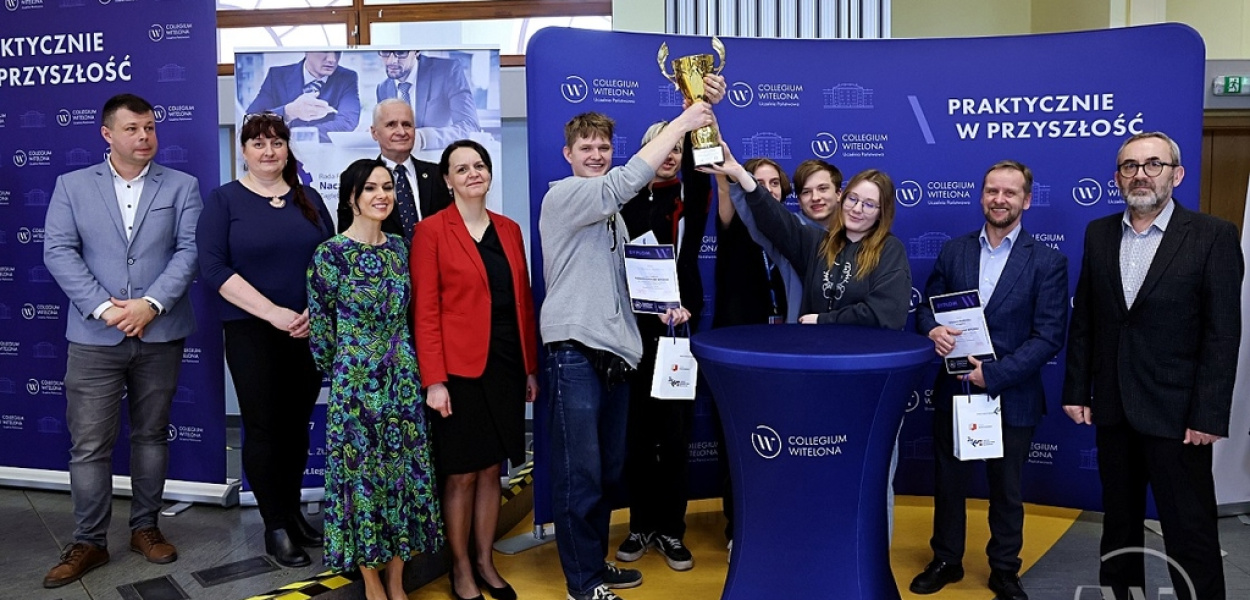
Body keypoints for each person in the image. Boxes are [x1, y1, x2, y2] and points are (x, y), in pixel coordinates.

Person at [540, 98, 718, 600]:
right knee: (580, 474)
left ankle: (594, 565)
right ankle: (583, 584)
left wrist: (662, 308)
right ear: (568, 154)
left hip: (617, 354)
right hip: (575, 349)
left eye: (603, 147)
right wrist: (683, 123)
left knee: (606, 471)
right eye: (586, 147)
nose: (596, 155)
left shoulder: (615, 220)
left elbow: (630, 282)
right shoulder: (566, 195)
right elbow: (623, 183)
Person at [1062, 132, 1243, 600]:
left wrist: (1208, 415)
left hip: (1178, 417)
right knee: (1118, 527)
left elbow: (1222, 333)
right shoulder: (1099, 233)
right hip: (1114, 410)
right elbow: (1086, 319)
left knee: (1190, 532)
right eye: (1130, 166)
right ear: (1117, 177)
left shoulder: (1213, 235)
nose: (1140, 174)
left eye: (1153, 164)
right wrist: (1077, 389)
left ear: (1176, 174)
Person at [41, 93, 201, 588]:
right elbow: (58, 250)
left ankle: (145, 528)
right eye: (132, 129)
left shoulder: (183, 185)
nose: (144, 136)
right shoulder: (71, 185)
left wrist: (150, 305)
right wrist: (107, 309)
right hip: (94, 335)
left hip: (160, 331)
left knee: (151, 434)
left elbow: (190, 251)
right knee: (89, 444)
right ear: (107, 134)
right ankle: (89, 541)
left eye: (150, 127)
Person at [911, 160, 1069, 600]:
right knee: (949, 484)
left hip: (1012, 394)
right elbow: (925, 308)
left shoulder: (1048, 262)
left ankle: (1004, 569)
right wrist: (932, 329)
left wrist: (994, 374)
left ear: (1026, 200)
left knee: (1007, 490)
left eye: (1010, 193)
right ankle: (946, 560)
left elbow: (1049, 336)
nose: (1000, 200)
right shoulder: (954, 251)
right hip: (956, 391)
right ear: (981, 196)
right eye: (992, 191)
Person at [197, 113, 335, 567]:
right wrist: (273, 313)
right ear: (244, 151)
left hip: (307, 330)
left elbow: (330, 260)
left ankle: (292, 513)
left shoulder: (309, 198)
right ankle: (274, 526)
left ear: (288, 148)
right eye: (258, 143)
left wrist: (315, 309)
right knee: (263, 428)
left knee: (296, 428)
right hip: (252, 330)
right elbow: (214, 268)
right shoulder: (224, 201)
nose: (268, 151)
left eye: (277, 142)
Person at [308, 158, 444, 600]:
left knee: (402, 476)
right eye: (370, 188)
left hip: (403, 381)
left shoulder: (402, 249)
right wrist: (351, 368)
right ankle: (371, 582)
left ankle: (397, 580)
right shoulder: (330, 254)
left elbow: (416, 313)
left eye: (387, 187)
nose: (381, 195)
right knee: (363, 480)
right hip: (354, 385)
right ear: (352, 197)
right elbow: (321, 333)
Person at [413, 140, 537, 600]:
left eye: (479, 165)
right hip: (458, 372)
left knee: (491, 471)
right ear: (447, 180)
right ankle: (461, 567)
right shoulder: (431, 231)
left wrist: (529, 367)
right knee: (462, 473)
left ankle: (485, 560)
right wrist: (434, 380)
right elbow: (425, 311)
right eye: (461, 168)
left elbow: (521, 302)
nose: (473, 174)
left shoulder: (509, 229)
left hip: (505, 365)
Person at [614, 120, 712, 572]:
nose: (669, 154)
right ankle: (640, 525)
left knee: (674, 436)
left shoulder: (691, 194)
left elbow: (703, 160)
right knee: (637, 435)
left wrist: (698, 110)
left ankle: (672, 529)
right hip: (633, 331)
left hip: (679, 328)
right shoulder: (623, 198)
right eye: (661, 146)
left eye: (676, 147)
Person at [704, 144, 910, 329]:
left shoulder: (889, 249)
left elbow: (885, 314)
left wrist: (823, 320)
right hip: (815, 350)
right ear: (844, 198)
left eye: (869, 204)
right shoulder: (818, 242)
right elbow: (775, 219)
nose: (857, 209)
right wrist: (740, 174)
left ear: (882, 212)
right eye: (853, 199)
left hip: (864, 354)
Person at [707, 157, 792, 558]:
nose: (768, 189)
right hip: (739, 356)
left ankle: (777, 522)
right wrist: (724, 174)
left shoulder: (793, 232)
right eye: (759, 181)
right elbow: (725, 190)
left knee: (781, 443)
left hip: (785, 354)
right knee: (739, 444)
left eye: (775, 183)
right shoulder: (733, 223)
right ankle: (738, 529)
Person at [351, 99, 453, 243]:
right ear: (374, 133)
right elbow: (349, 239)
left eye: (407, 125)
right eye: (391, 125)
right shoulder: (359, 178)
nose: (401, 132)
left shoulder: (438, 174)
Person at [375, 51, 480, 151]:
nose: (391, 61)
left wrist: (423, 138)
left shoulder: (447, 71)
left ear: (417, 51)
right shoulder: (383, 88)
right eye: (385, 52)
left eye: (401, 53)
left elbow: (470, 127)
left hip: (440, 158)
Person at [246, 51, 361, 143]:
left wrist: (297, 135)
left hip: (326, 155)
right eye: (324, 51)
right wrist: (289, 111)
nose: (332, 59)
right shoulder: (277, 75)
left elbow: (347, 122)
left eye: (337, 52)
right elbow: (250, 121)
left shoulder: (347, 77)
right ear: (307, 51)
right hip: (281, 155)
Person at [793, 159, 843, 229]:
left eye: (822, 189)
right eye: (806, 192)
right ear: (799, 201)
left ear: (838, 194)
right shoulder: (788, 229)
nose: (815, 198)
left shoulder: (854, 227)